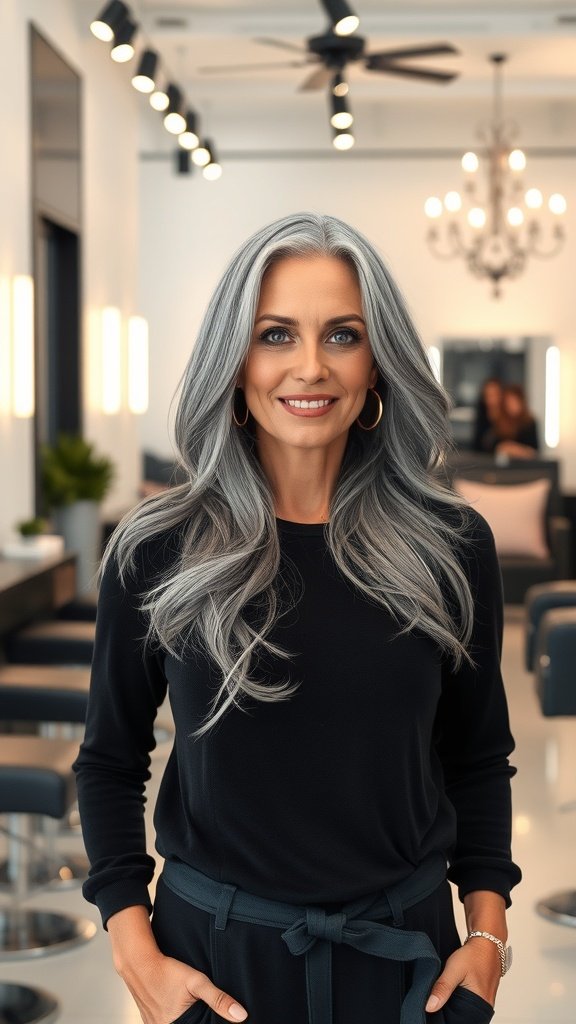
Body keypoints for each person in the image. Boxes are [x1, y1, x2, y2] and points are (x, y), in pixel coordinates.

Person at [73, 212, 521, 1024]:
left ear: (378, 361)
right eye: (276, 334)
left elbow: (480, 759)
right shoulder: (157, 547)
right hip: (212, 966)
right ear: (235, 357)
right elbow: (108, 762)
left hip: (407, 966)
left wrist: (487, 941)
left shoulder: (451, 545)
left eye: (342, 335)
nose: (310, 367)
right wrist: (136, 953)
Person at [489, 384, 539, 460]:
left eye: (514, 401)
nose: (511, 404)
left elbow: (534, 451)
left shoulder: (529, 423)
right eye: (509, 401)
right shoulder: (500, 422)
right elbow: (494, 447)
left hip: (525, 468)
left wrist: (514, 449)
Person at [471, 378, 503, 453]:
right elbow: (477, 447)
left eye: (494, 395)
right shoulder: (481, 417)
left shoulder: (509, 419)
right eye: (487, 395)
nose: (491, 400)